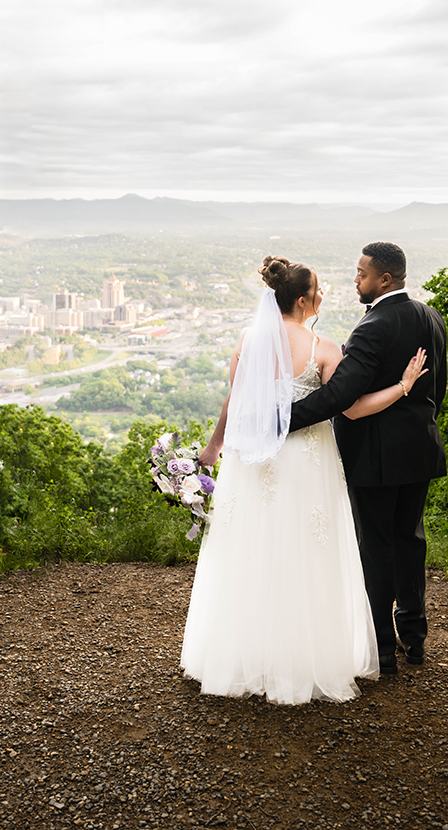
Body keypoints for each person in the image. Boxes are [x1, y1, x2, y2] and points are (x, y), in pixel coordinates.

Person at [182, 255, 429, 704]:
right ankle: (303, 660)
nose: (326, 293)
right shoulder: (325, 349)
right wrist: (404, 386)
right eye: (319, 289)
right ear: (302, 300)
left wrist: (213, 447)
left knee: (252, 550)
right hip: (305, 461)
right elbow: (351, 407)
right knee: (303, 554)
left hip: (253, 460)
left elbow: (234, 402)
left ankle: (240, 655)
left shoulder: (248, 340)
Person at [286, 242, 448, 676]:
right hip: (420, 450)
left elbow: (340, 396)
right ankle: (414, 639)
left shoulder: (372, 326)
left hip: (375, 458)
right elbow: (439, 389)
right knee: (410, 541)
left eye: (361, 273)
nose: (356, 280)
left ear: (385, 279)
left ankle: (381, 650)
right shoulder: (430, 317)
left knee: (375, 547)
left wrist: (283, 419)